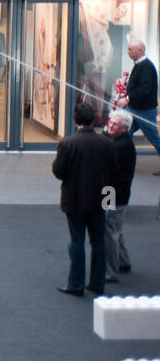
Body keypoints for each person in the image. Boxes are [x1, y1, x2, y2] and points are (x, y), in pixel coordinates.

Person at [52, 101, 117, 296]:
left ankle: (76, 283)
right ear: (94, 119)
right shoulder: (107, 143)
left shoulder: (68, 143)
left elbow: (58, 171)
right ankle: (97, 282)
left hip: (75, 199)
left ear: (75, 120)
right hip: (100, 198)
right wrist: (110, 201)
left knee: (77, 241)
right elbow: (114, 172)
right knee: (98, 241)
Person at [103, 108, 136, 283]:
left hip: (114, 193)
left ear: (125, 128)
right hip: (113, 192)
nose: (111, 126)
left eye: (115, 124)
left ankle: (110, 272)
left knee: (109, 232)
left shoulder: (120, 147)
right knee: (115, 228)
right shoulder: (119, 141)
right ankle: (123, 262)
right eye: (111, 122)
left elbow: (107, 171)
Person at [120, 40, 160, 159]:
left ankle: (124, 159)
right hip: (134, 108)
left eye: (130, 49)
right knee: (124, 132)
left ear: (140, 51)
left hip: (144, 110)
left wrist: (128, 98)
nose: (128, 52)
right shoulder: (139, 64)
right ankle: (124, 159)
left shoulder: (146, 66)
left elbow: (144, 88)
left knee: (153, 138)